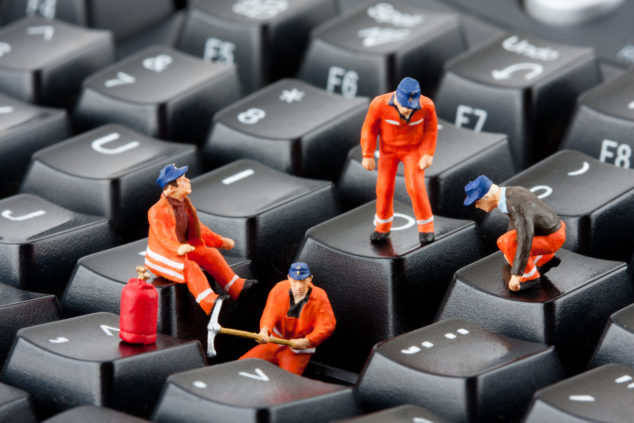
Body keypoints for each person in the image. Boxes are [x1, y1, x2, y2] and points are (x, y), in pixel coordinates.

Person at [145, 164, 256, 315]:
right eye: (183, 180)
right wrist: (177, 248)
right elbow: (162, 236)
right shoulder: (156, 211)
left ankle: (236, 287)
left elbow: (199, 229)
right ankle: (209, 302)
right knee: (191, 268)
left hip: (184, 247)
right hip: (162, 256)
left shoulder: (185, 204)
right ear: (171, 189)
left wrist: (220, 241)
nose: (188, 181)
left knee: (211, 254)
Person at [360, 76, 438, 244]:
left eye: (412, 107)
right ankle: (382, 227)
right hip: (388, 151)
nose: (408, 111)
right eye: (405, 106)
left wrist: (428, 153)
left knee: (416, 187)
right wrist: (367, 153)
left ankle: (426, 227)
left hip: (413, 151)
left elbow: (431, 130)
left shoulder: (427, 106)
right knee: (384, 188)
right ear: (396, 97)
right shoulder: (379, 104)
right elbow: (369, 129)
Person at [464, 175, 566, 292]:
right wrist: (509, 253)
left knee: (510, 244)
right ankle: (545, 260)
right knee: (504, 241)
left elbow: (525, 238)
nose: (477, 206)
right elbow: (516, 226)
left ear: (487, 197)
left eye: (477, 202)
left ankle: (528, 278)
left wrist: (516, 274)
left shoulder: (515, 205)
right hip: (546, 232)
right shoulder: (511, 193)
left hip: (552, 237)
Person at [239, 262, 335, 375]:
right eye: (295, 281)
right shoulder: (279, 289)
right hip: (273, 342)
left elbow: (327, 325)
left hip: (297, 350)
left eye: (303, 281)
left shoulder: (319, 296)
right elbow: (270, 312)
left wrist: (308, 340)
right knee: (240, 365)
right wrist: (265, 330)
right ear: (289, 278)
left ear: (310, 279)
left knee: (287, 383)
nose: (299, 286)